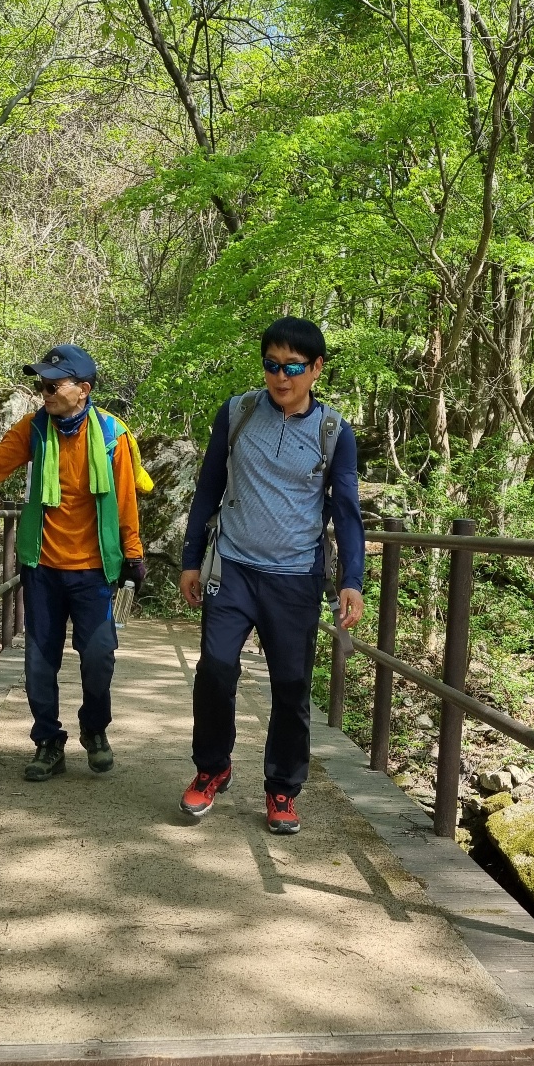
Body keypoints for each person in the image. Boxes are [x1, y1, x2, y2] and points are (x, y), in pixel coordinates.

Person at [180, 316, 365, 834]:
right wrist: (191, 558)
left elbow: (347, 510)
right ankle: (212, 769)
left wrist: (352, 579)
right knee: (215, 672)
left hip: (295, 577)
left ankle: (282, 788)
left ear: (316, 368)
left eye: (293, 367)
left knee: (291, 685)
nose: (281, 376)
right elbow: (208, 488)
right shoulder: (237, 412)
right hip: (233, 568)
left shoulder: (334, 432)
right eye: (272, 365)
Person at [0, 344, 146, 781]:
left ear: (83, 390)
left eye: (52, 385)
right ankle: (48, 741)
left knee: (99, 656)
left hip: (94, 569)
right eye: (41, 385)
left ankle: (94, 730)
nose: (44, 392)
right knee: (39, 662)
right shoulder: (34, 429)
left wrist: (133, 553)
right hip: (42, 565)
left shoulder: (112, 435)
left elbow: (125, 501)